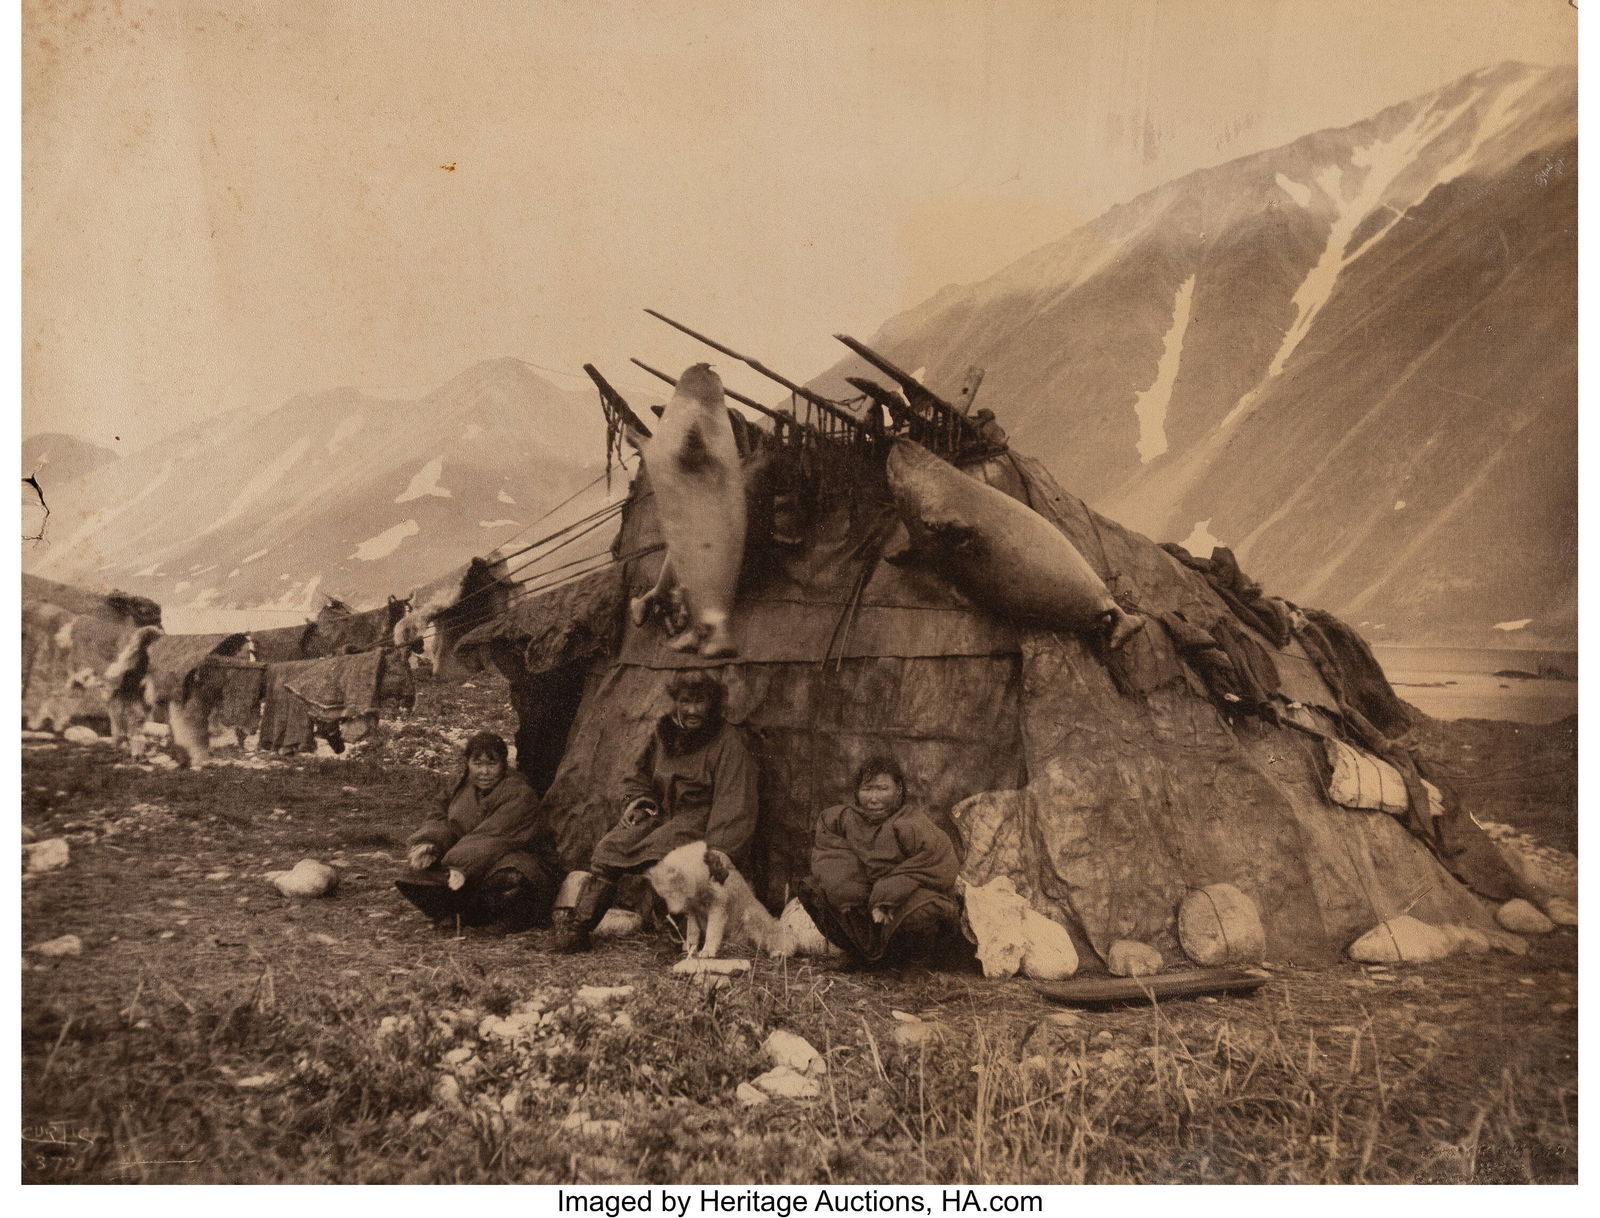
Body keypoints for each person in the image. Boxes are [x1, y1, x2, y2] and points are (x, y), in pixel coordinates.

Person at [552, 671, 760, 953]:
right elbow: (637, 775)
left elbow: (734, 801)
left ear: (713, 704)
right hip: (660, 814)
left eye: (700, 702)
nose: (692, 710)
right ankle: (579, 926)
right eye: (685, 701)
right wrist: (640, 800)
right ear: (675, 702)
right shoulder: (665, 734)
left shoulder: (728, 742)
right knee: (610, 848)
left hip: (699, 821)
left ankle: (673, 930)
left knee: (665, 856)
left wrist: (720, 849)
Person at [799, 755, 962, 968]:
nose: (873, 798)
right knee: (813, 890)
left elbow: (939, 861)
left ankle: (915, 963)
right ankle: (860, 955)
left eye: (882, 789)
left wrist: (889, 889)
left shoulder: (910, 823)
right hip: (863, 904)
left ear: (899, 790)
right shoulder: (843, 819)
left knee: (925, 907)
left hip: (897, 906)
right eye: (867, 789)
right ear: (856, 792)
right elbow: (828, 851)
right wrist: (853, 889)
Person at [395, 731, 560, 931]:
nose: (484, 772)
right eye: (477, 763)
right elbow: (440, 818)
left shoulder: (520, 794)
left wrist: (456, 865)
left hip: (513, 860)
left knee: (511, 878)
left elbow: (492, 836)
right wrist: (431, 843)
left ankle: (511, 919)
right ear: (467, 763)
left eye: (491, 764)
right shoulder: (459, 788)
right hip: (471, 863)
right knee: (410, 876)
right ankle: (460, 914)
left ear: (504, 764)